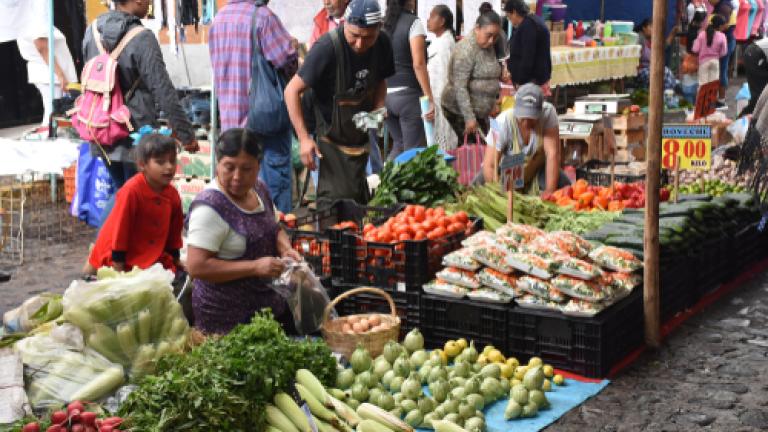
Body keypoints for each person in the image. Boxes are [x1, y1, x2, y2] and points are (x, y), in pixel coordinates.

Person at [186, 129, 302, 335]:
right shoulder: (209, 207)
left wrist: (285, 249)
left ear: (259, 166)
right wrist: (254, 267)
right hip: (226, 320)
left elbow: (273, 226)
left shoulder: (259, 189)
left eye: (247, 168)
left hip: (265, 308)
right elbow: (197, 266)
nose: (237, 177)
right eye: (229, 167)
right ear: (218, 163)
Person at [284, 0, 395, 207]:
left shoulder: (383, 44)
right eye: (354, 36)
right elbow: (291, 91)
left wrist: (379, 107)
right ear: (345, 24)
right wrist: (304, 138)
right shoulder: (327, 48)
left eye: (368, 37)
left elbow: (380, 79)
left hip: (359, 128)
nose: (360, 44)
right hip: (325, 133)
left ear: (379, 29)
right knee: (334, 203)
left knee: (370, 194)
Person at [82, 0, 197, 193]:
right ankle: (107, 224)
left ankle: (112, 223)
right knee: (134, 197)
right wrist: (185, 134)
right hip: (135, 133)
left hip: (101, 128)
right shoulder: (142, 37)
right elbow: (162, 89)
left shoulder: (92, 31)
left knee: (124, 194)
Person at [209, 0, 298, 213]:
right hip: (264, 120)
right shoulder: (263, 17)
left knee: (238, 189)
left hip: (232, 121)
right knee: (273, 191)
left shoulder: (218, 19)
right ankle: (276, 240)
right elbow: (286, 60)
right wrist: (294, 47)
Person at [84, 134, 184, 275]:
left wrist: (175, 258)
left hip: (145, 249)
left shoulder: (172, 193)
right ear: (142, 165)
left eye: (172, 161)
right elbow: (120, 229)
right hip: (117, 251)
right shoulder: (131, 191)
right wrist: (118, 264)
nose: (169, 167)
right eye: (160, 162)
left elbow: (175, 230)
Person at [482, 83, 569, 197]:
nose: (526, 123)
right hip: (509, 172)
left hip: (537, 170)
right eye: (523, 118)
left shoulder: (548, 113)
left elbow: (552, 154)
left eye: (532, 118)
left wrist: (550, 192)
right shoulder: (501, 122)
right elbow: (490, 165)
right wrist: (501, 197)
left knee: (564, 186)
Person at [383, 0, 435, 161]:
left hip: (386, 97)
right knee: (415, 153)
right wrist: (429, 98)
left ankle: (383, 183)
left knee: (399, 145)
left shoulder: (383, 25)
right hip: (408, 97)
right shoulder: (413, 22)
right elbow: (419, 64)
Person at [441, 11, 503, 143]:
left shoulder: (488, 45)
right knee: (474, 149)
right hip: (459, 109)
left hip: (481, 111)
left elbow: (490, 76)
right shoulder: (465, 50)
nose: (492, 40)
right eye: (489, 35)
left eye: (496, 36)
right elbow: (460, 87)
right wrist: (469, 118)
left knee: (484, 147)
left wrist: (492, 102)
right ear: (477, 29)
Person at [15, 0, 78, 127]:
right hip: (52, 76)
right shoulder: (38, 4)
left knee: (56, 120)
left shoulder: (26, 8)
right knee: (55, 121)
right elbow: (41, 44)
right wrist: (60, 75)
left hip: (50, 74)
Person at [426, 5, 458, 151]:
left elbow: (446, 76)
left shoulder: (446, 43)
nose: (428, 20)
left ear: (442, 21)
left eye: (432, 16)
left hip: (441, 100)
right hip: (435, 98)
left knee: (442, 143)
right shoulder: (439, 41)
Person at [503, 0, 550, 91]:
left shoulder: (529, 26)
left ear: (515, 12)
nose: (510, 21)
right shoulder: (531, 21)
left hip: (531, 82)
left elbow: (528, 56)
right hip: (532, 80)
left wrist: (521, 81)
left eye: (509, 17)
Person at [635, 19, 679, 91]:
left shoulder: (652, 39)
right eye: (651, 27)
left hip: (651, 69)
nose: (654, 30)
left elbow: (664, 46)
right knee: (665, 72)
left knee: (666, 73)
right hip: (641, 71)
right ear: (644, 28)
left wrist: (672, 33)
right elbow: (636, 59)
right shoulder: (640, 39)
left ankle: (666, 95)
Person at [706, 0, 735, 106]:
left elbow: (724, 26)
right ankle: (717, 98)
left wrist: (711, 31)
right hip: (724, 42)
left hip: (724, 43)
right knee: (720, 70)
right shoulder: (721, 5)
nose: (709, 1)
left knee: (721, 70)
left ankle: (721, 100)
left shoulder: (724, 7)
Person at [693, 14, 728, 86]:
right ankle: (713, 97)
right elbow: (724, 52)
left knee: (702, 84)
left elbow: (695, 49)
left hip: (703, 62)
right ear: (720, 26)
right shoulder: (722, 36)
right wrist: (718, 54)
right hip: (715, 61)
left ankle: (702, 97)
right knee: (713, 85)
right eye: (723, 25)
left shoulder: (702, 34)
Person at [742, 36, 768, 115]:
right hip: (753, 54)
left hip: (756, 53)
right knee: (758, 89)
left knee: (761, 88)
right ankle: (748, 115)